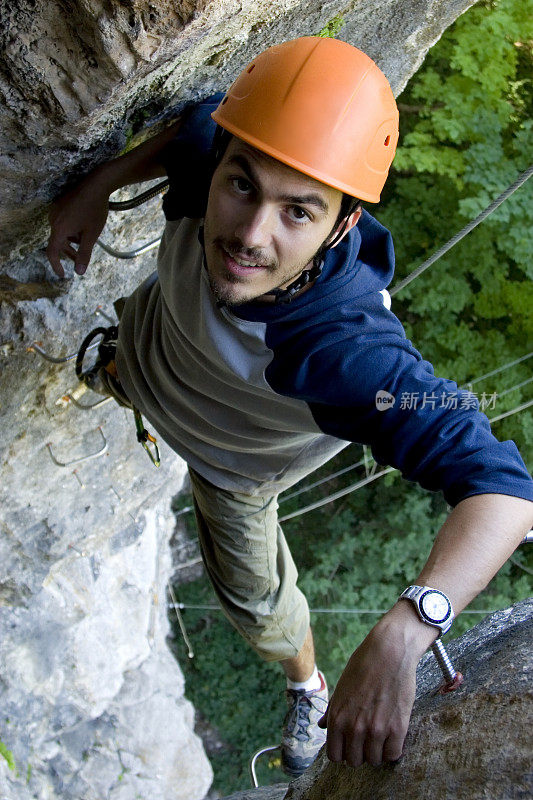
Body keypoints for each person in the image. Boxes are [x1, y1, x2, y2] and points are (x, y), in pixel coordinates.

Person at [47, 37, 533, 778]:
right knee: (135, 358)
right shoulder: (214, 158)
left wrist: (406, 631)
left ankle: (305, 683)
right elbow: (191, 130)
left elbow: (504, 491)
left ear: (340, 226)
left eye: (298, 212)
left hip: (230, 466)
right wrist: (97, 187)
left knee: (256, 603)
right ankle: (121, 373)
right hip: (149, 359)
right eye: (242, 187)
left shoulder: (349, 356)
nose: (250, 234)